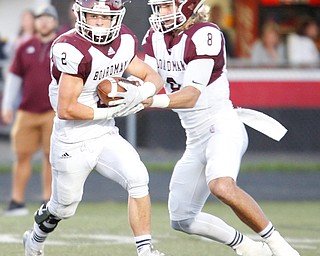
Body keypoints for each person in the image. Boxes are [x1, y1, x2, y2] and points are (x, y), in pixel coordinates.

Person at [134, 1, 301, 256]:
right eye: (159, 7)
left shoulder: (205, 33)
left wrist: (148, 99)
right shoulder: (155, 36)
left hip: (221, 125)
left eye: (168, 6)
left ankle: (280, 247)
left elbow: (190, 95)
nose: (161, 14)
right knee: (181, 218)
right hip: (195, 137)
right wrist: (125, 90)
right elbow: (147, 77)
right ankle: (246, 246)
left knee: (221, 185)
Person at [22, 1, 165, 256]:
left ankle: (146, 250)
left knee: (138, 177)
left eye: (104, 17)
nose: (98, 22)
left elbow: (153, 76)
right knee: (63, 207)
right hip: (71, 138)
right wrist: (113, 110)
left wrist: (141, 93)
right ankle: (34, 238)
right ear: (80, 15)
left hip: (104, 133)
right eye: (92, 16)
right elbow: (66, 108)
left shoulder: (124, 41)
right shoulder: (71, 47)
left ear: (117, 17)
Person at [1, 5, 59, 216]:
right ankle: (17, 201)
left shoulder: (61, 46)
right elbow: (14, 78)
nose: (44, 22)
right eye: (40, 18)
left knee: (50, 157)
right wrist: (7, 105)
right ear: (35, 22)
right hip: (26, 110)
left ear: (55, 22)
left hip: (53, 111)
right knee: (22, 156)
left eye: (48, 18)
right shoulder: (25, 47)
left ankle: (48, 203)